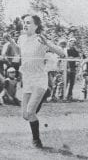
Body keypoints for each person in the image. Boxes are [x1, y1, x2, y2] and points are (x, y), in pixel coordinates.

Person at [19, 14, 65, 148]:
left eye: (28, 23)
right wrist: (10, 42)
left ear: (36, 26)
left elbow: (62, 53)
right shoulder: (21, 38)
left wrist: (47, 43)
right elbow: (19, 53)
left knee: (30, 112)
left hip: (39, 79)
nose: (25, 25)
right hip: (27, 79)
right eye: (24, 22)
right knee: (25, 115)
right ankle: (40, 99)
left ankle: (36, 141)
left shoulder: (40, 39)